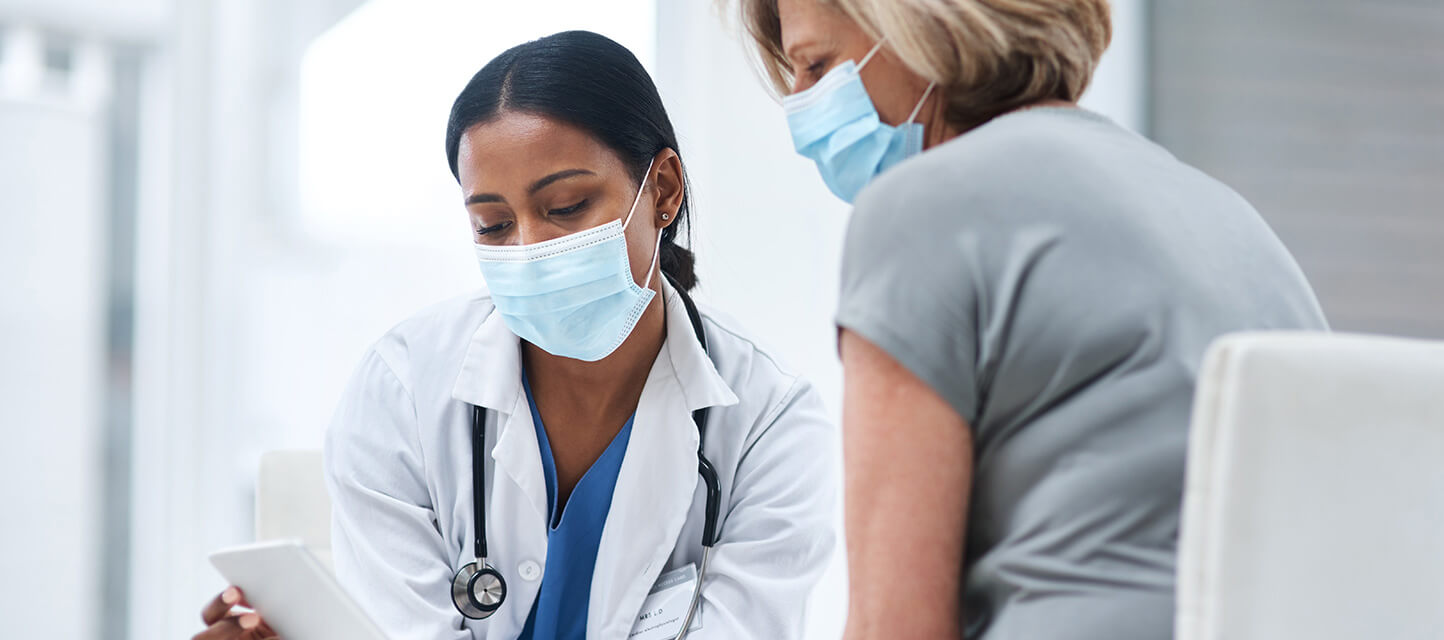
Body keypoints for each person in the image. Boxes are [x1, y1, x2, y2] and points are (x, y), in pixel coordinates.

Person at [194, 30, 835, 640]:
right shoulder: (404, 389)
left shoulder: (769, 422)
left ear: (663, 191)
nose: (530, 248)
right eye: (494, 225)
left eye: (565, 208)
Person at [728, 1, 1329, 638]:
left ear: (923, 26)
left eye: (817, 66)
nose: (800, 113)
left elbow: (894, 627)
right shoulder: (1236, 223)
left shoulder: (919, 210)